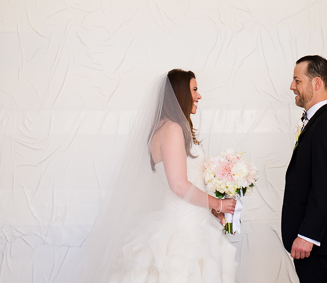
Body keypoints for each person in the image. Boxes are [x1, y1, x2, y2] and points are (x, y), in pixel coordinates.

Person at [80, 69, 237, 282]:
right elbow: (179, 185)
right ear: (181, 93)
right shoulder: (171, 129)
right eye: (194, 89)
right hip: (183, 229)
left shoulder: (167, 128)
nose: (199, 96)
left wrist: (210, 210)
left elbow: (186, 182)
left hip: (192, 221)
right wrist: (218, 204)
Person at [282, 55, 327, 283]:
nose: (292, 86)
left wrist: (307, 235)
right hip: (315, 244)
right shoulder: (318, 122)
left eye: (297, 80)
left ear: (317, 83)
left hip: (318, 244)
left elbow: (325, 186)